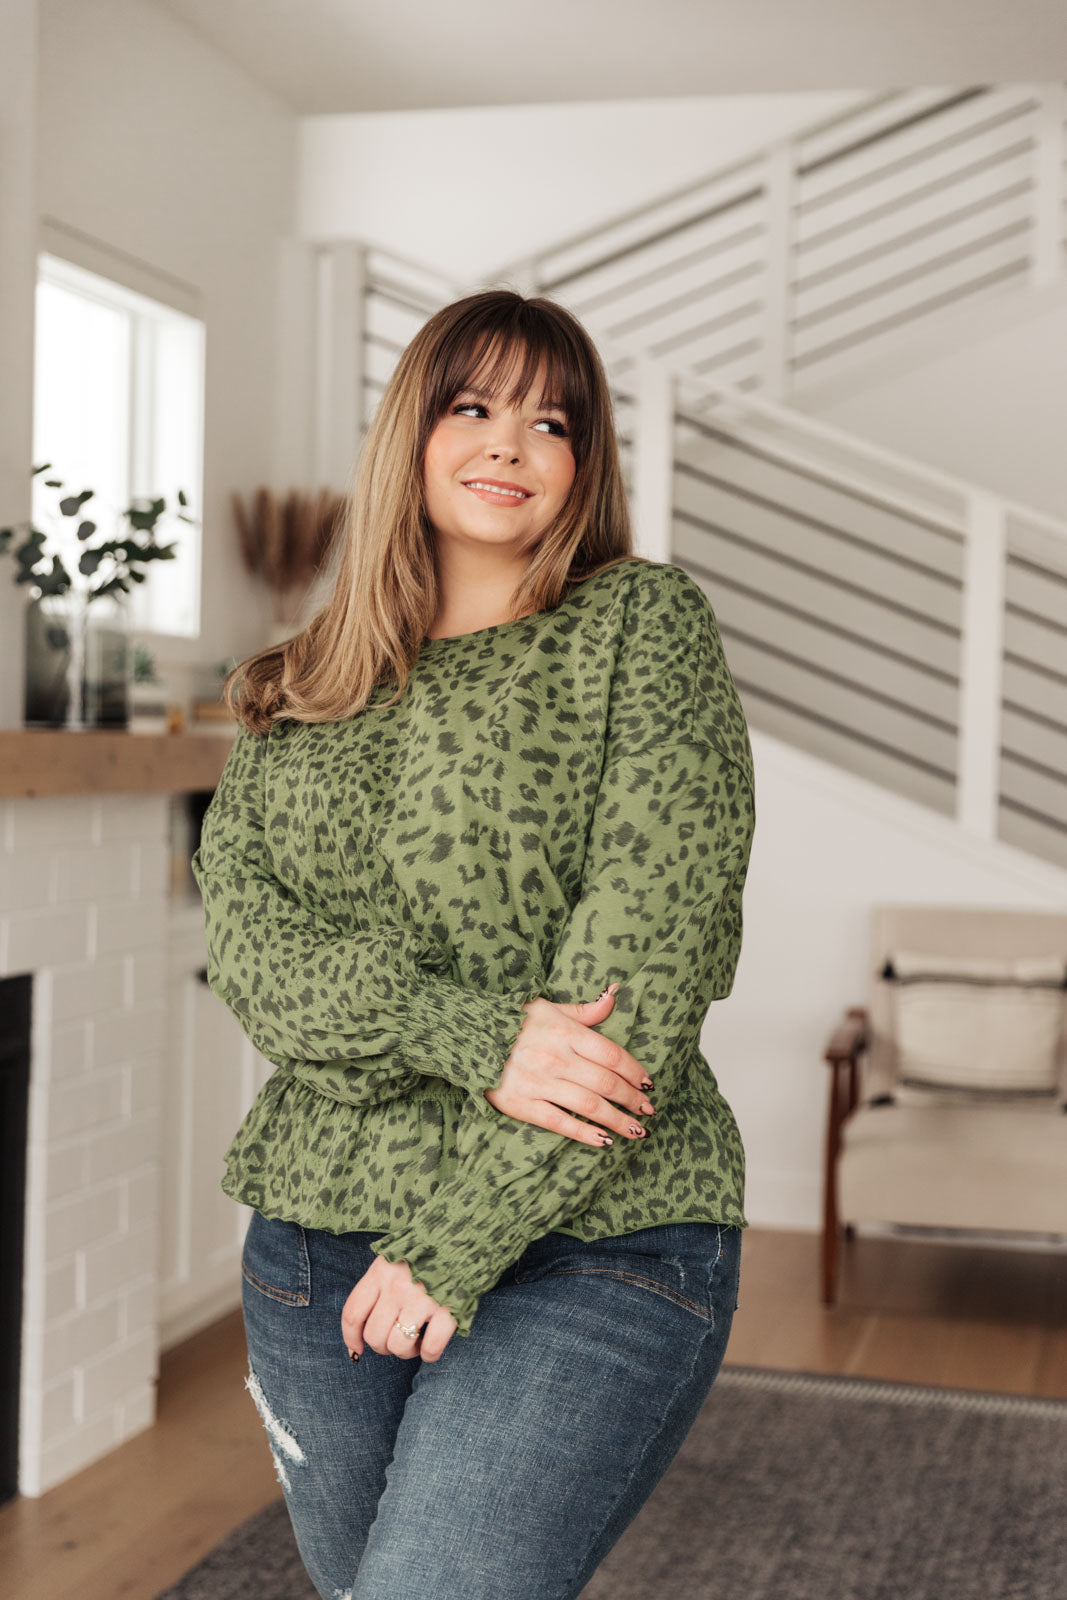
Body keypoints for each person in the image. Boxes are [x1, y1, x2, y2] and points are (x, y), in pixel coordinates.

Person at [191, 288, 757, 1600]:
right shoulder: (299, 685)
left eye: (553, 422)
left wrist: (456, 1239)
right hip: (315, 1243)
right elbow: (257, 957)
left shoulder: (639, 628)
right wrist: (472, 1030)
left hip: (598, 1232)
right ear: (414, 431)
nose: (511, 442)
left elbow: (645, 970)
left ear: (584, 465)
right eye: (474, 406)